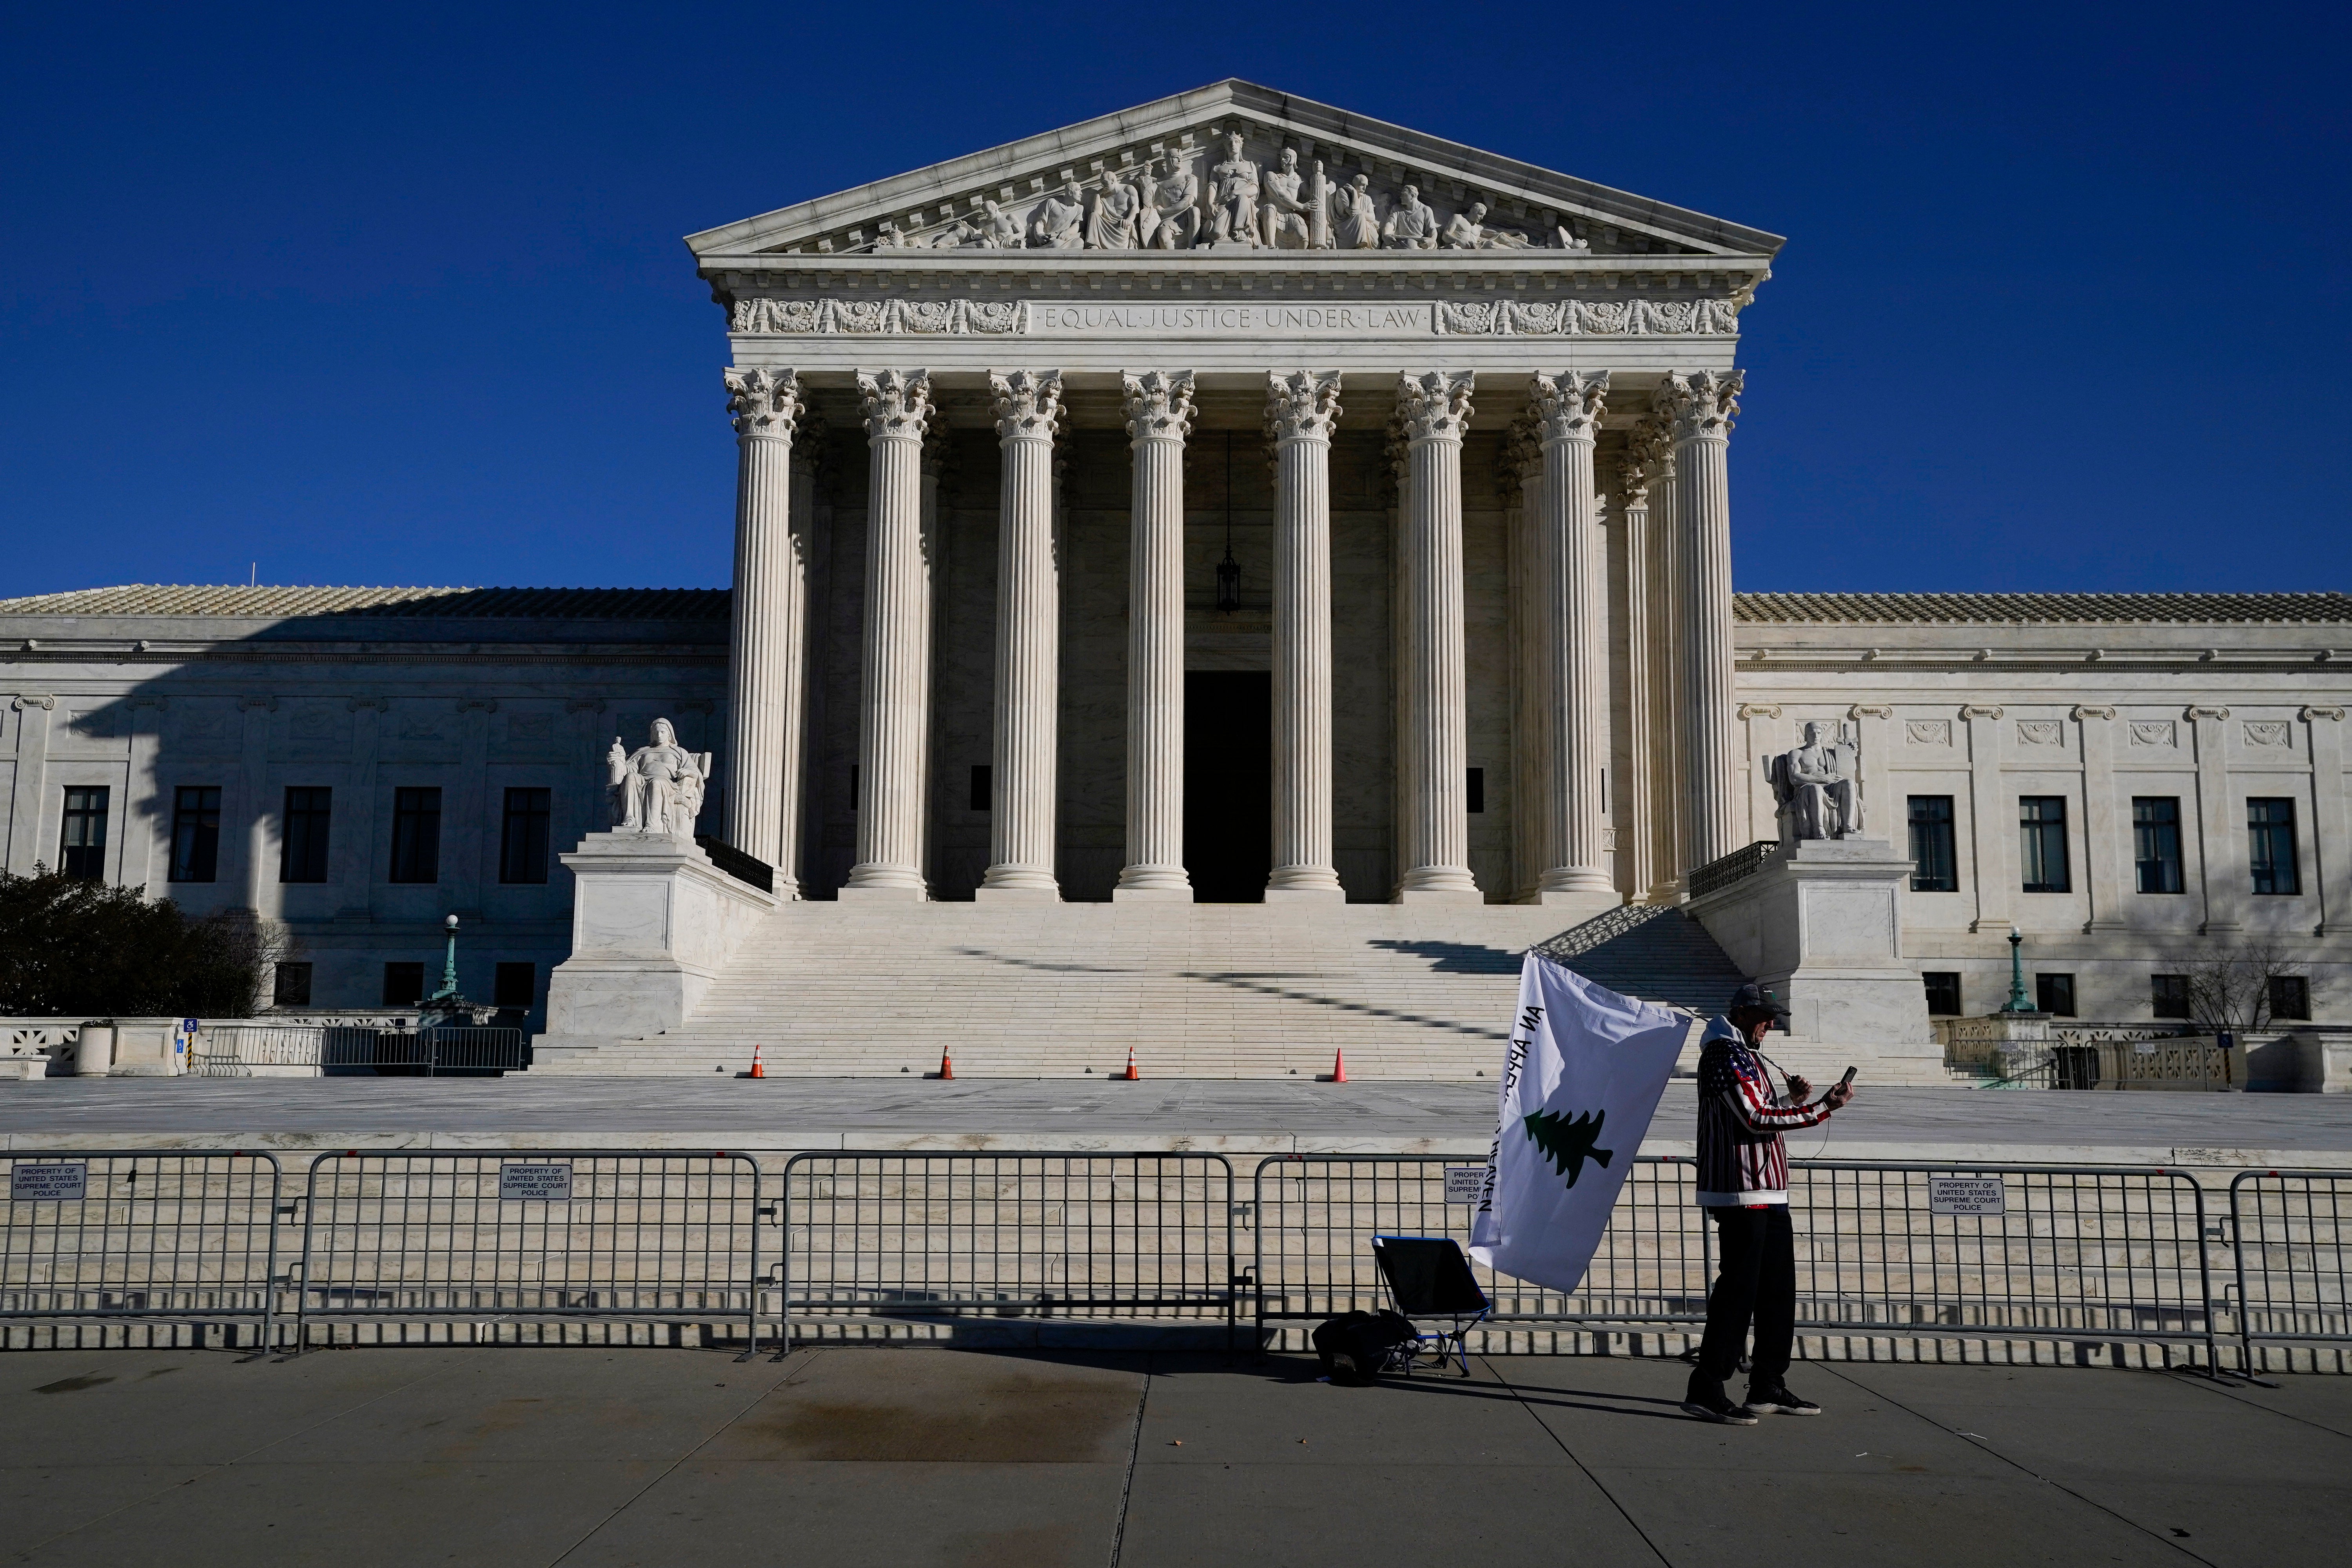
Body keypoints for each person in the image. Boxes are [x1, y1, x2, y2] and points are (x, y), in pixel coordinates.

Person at [1684, 982, 1855, 1425]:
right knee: (1738, 1291)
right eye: (1763, 1014)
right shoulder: (1724, 1053)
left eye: (1773, 1016)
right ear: (1739, 1013)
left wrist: (1791, 1102)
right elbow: (1755, 1118)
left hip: (1768, 1189)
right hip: (1741, 1190)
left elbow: (1759, 1110)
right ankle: (1707, 1385)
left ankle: (1767, 1383)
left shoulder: (1745, 1052)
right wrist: (1820, 1108)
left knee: (1778, 1291)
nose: (1770, 1023)